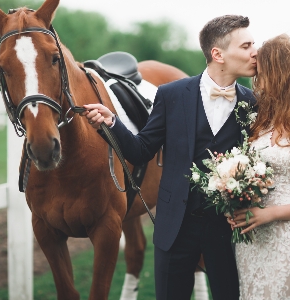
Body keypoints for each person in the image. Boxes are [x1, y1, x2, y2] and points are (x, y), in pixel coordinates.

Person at [81, 15, 257, 300]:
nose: (254, 52)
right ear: (218, 54)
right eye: (247, 45)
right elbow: (141, 150)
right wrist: (112, 123)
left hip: (227, 230)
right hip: (174, 228)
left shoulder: (252, 103)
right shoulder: (171, 95)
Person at [227, 33, 290, 299]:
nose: (258, 83)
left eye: (262, 74)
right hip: (253, 239)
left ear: (280, 74)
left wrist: (269, 214)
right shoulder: (262, 117)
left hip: (284, 234)